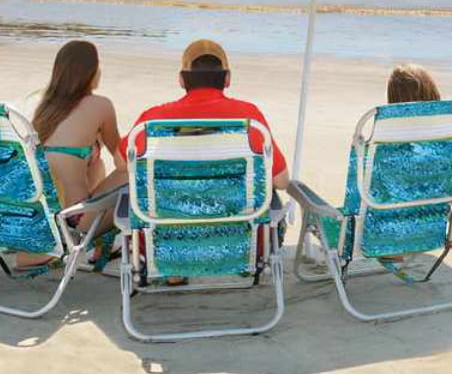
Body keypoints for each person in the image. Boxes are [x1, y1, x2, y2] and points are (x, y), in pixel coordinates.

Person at [119, 40, 290, 191]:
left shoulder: (154, 119)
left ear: (182, 80)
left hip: (163, 224)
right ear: (227, 78)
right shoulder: (249, 117)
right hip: (239, 225)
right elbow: (281, 181)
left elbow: (120, 163)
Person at [25, 40, 124, 265]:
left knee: (93, 160)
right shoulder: (100, 105)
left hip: (41, 218)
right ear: (90, 72)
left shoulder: (44, 106)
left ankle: (101, 248)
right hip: (75, 220)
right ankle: (104, 247)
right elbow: (122, 162)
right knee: (132, 176)